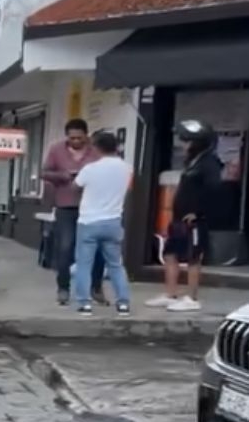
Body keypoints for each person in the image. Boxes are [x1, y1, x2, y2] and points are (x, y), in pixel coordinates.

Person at [147, 120, 223, 312]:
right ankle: (170, 294)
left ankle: (192, 297)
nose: (184, 145)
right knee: (170, 254)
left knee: (193, 258)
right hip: (178, 218)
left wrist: (198, 212)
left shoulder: (210, 163)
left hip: (195, 220)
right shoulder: (192, 161)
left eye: (188, 141)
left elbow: (214, 191)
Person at [42, 118, 107, 306]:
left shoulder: (96, 152)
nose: (76, 142)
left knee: (96, 249)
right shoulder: (56, 150)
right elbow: (44, 172)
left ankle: (96, 288)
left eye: (79, 138)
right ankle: (63, 288)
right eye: (72, 138)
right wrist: (63, 176)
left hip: (92, 206)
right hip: (65, 205)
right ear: (67, 137)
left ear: (86, 136)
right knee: (65, 247)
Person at [71, 131, 133, 317]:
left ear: (96, 147)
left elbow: (75, 186)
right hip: (113, 221)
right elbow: (128, 188)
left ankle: (84, 304)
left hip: (89, 222)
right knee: (115, 264)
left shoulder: (90, 169)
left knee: (84, 264)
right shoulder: (127, 168)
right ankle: (123, 303)